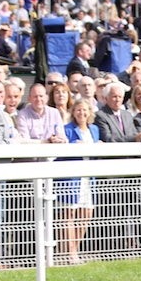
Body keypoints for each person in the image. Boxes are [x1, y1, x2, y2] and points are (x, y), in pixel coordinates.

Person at [58, 98, 100, 265]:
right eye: (78, 110)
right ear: (73, 112)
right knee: (68, 215)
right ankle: (69, 253)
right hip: (71, 178)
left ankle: (74, 249)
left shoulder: (94, 129)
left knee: (86, 214)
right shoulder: (67, 129)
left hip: (88, 178)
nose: (81, 113)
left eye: (84, 110)